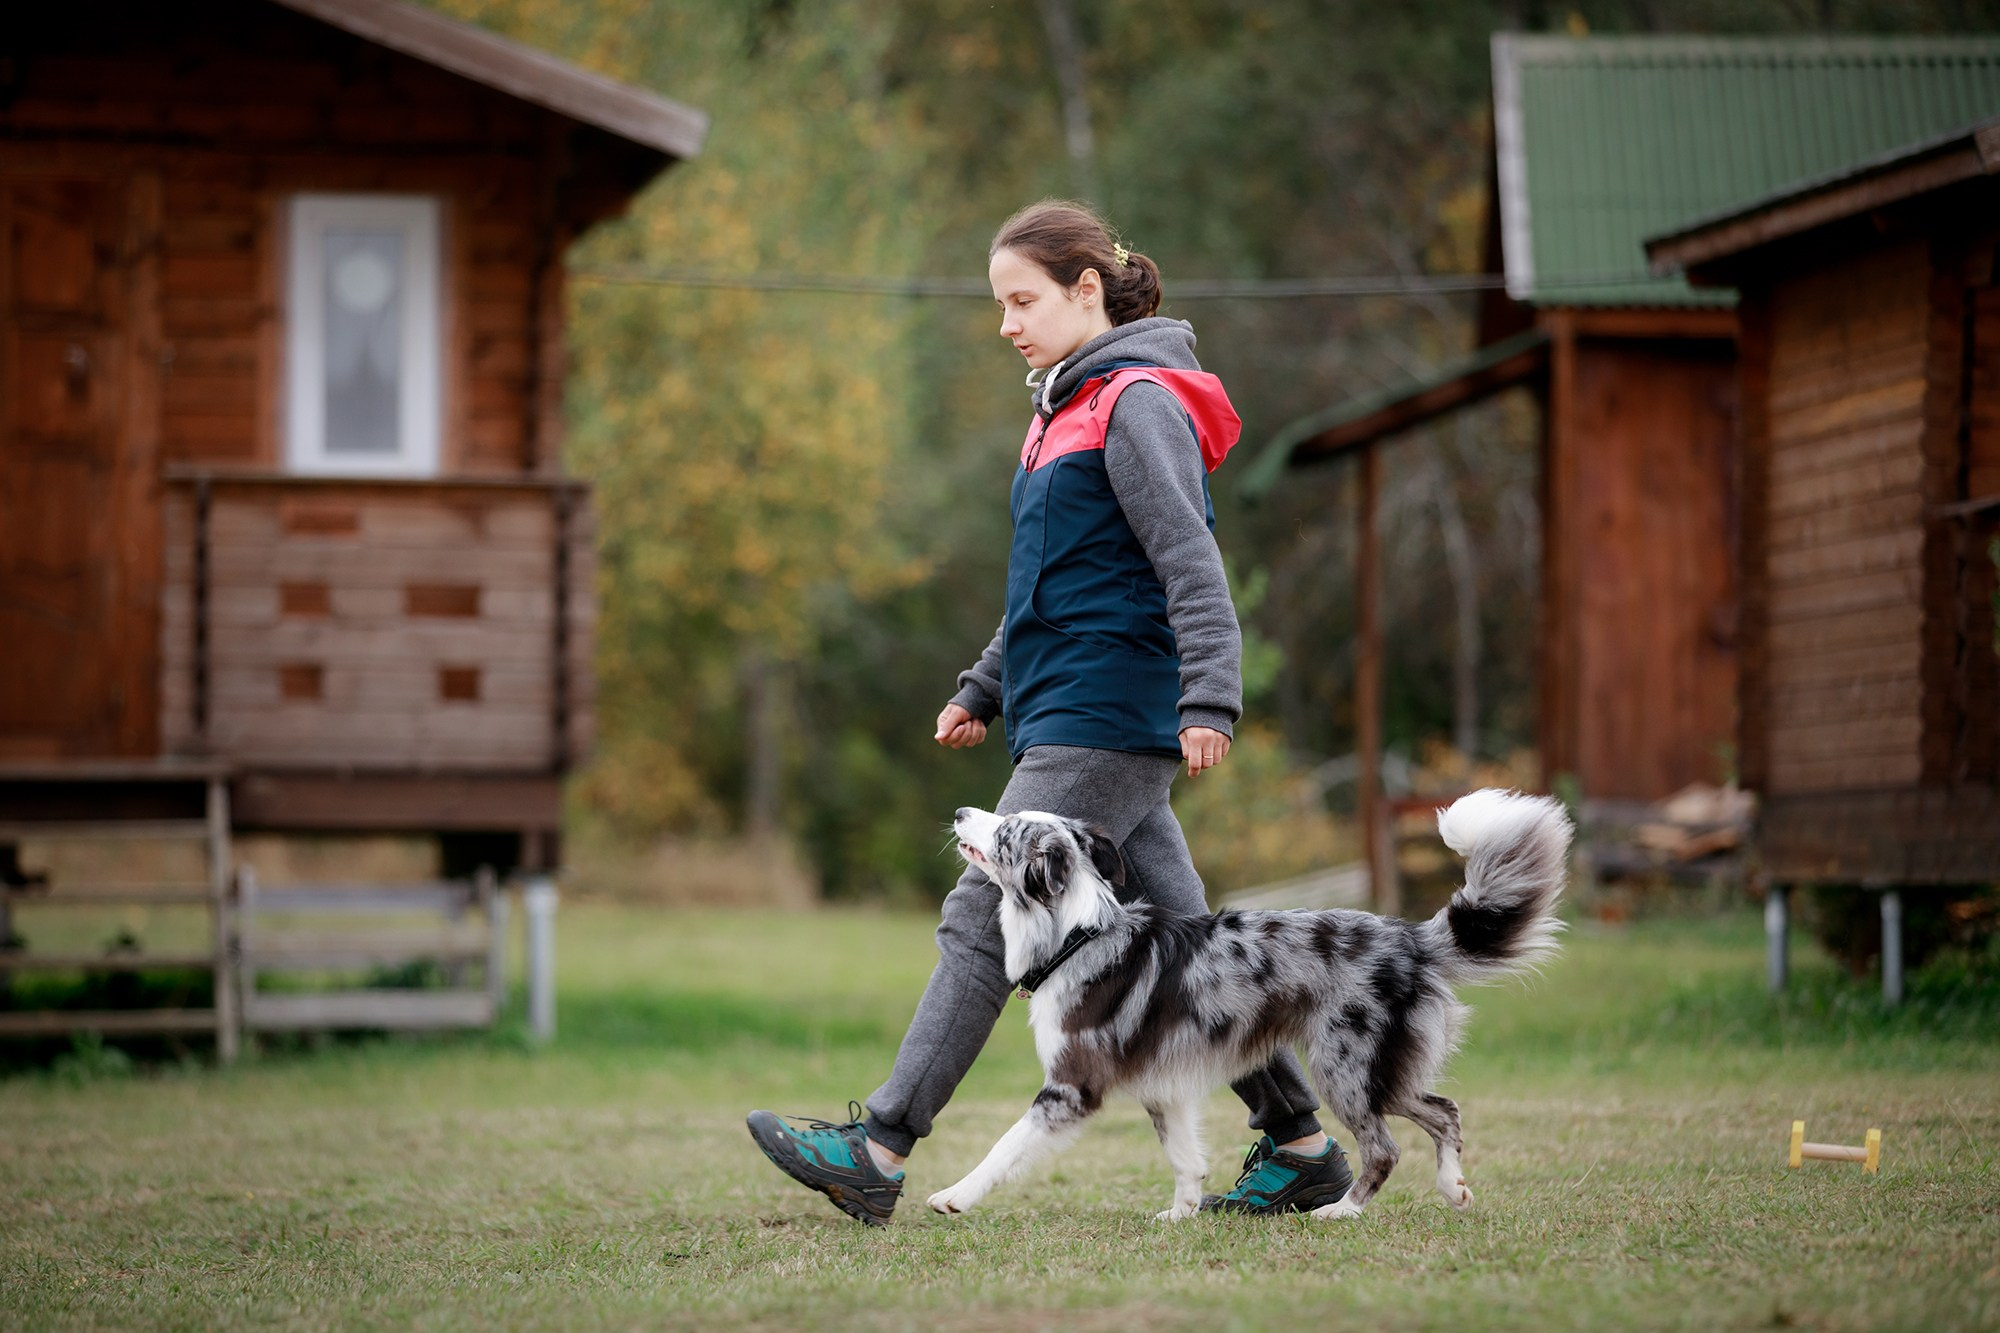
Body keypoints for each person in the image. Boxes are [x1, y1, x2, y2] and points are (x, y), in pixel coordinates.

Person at [746, 201, 1350, 1225]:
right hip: (1060, 702)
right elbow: (1045, 583)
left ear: (1086, 290)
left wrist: (1210, 691)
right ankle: (1297, 1145)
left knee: (983, 908)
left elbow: (1187, 560)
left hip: (1108, 709)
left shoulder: (1135, 402)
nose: (1005, 323)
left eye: (1021, 300)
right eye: (997, 304)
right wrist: (983, 683)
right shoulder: (1057, 409)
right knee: (1190, 946)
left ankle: (880, 1146)